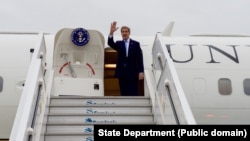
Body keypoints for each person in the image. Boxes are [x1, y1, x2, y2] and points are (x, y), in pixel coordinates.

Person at [107, 21, 144, 96]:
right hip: (122, 72)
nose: (124, 33)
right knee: (123, 92)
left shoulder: (136, 44)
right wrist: (111, 33)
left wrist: (141, 72)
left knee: (133, 92)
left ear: (129, 33)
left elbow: (139, 59)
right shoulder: (118, 43)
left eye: (126, 31)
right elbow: (110, 43)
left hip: (133, 72)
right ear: (121, 33)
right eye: (122, 32)